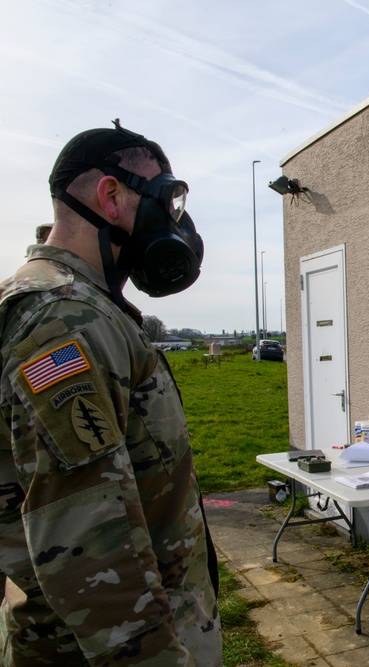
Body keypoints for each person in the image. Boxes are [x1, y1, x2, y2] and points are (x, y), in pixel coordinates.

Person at [0, 122, 220, 665]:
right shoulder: (65, 316)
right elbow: (84, 533)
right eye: (166, 198)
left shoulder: (82, 308)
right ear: (111, 195)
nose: (174, 221)